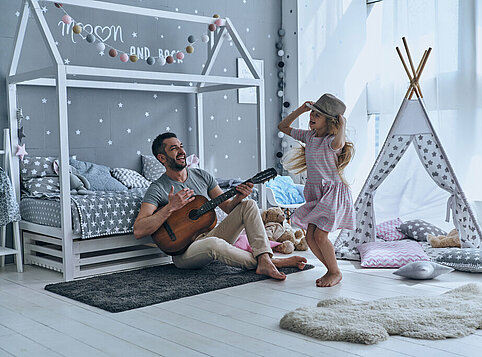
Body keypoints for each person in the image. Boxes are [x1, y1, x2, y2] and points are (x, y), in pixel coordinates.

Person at [133, 132, 307, 280]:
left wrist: (238, 197)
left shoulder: (202, 176)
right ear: (162, 158)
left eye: (181, 146)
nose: (181, 152)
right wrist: (170, 207)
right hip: (185, 253)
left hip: (211, 234)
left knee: (249, 204)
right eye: (174, 149)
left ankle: (264, 260)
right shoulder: (157, 188)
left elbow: (229, 208)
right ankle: (270, 261)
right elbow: (139, 230)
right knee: (213, 243)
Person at [278, 93, 356, 287]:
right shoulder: (309, 136)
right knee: (310, 237)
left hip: (332, 194)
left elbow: (339, 142)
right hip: (316, 194)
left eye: (317, 115)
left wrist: (342, 124)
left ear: (330, 121)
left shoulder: (332, 141)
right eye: (311, 113)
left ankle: (335, 271)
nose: (311, 117)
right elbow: (283, 127)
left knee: (320, 236)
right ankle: (331, 269)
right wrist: (301, 109)